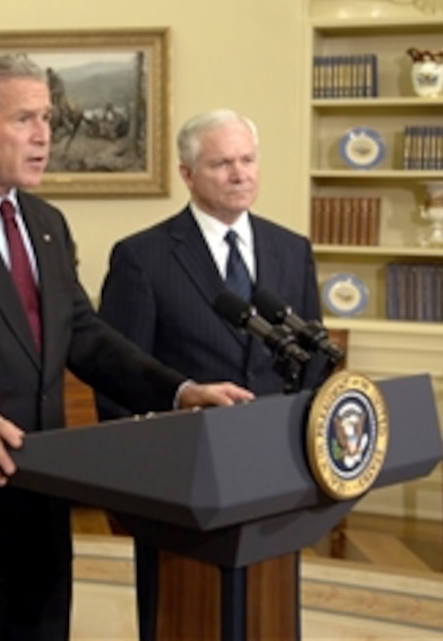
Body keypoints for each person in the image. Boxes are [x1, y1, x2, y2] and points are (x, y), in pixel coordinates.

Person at [0, 54, 253, 641]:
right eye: (25, 120)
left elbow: (84, 336)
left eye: (48, 118)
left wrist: (179, 390)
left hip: (38, 515)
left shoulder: (46, 224)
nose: (46, 135)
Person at [96, 108, 324, 641]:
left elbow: (311, 358)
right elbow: (119, 373)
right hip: (184, 469)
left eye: (247, 160)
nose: (240, 173)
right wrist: (134, 479)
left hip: (276, 459)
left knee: (266, 611)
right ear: (188, 174)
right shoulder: (142, 257)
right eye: (222, 163)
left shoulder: (291, 249)